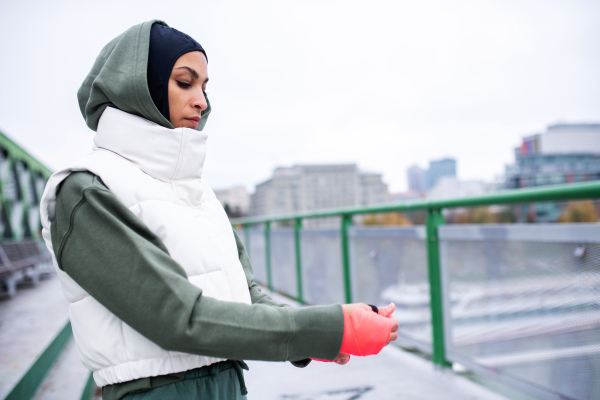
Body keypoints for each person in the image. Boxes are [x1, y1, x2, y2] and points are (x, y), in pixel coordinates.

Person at [40, 20, 398, 400]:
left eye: (204, 87)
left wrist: (316, 340)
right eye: (184, 82)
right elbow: (177, 319)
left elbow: (244, 293)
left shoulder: (198, 191)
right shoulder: (85, 190)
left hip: (228, 384)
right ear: (137, 87)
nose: (202, 101)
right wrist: (322, 328)